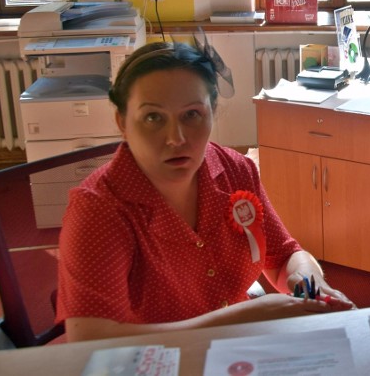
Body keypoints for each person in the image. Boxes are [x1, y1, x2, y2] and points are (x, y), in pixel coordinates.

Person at [56, 39, 354, 342]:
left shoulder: (236, 170)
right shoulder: (98, 208)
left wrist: (310, 282)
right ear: (122, 122)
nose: (176, 138)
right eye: (153, 117)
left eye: (192, 114)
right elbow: (91, 340)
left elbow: (284, 255)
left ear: (212, 112)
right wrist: (244, 319)